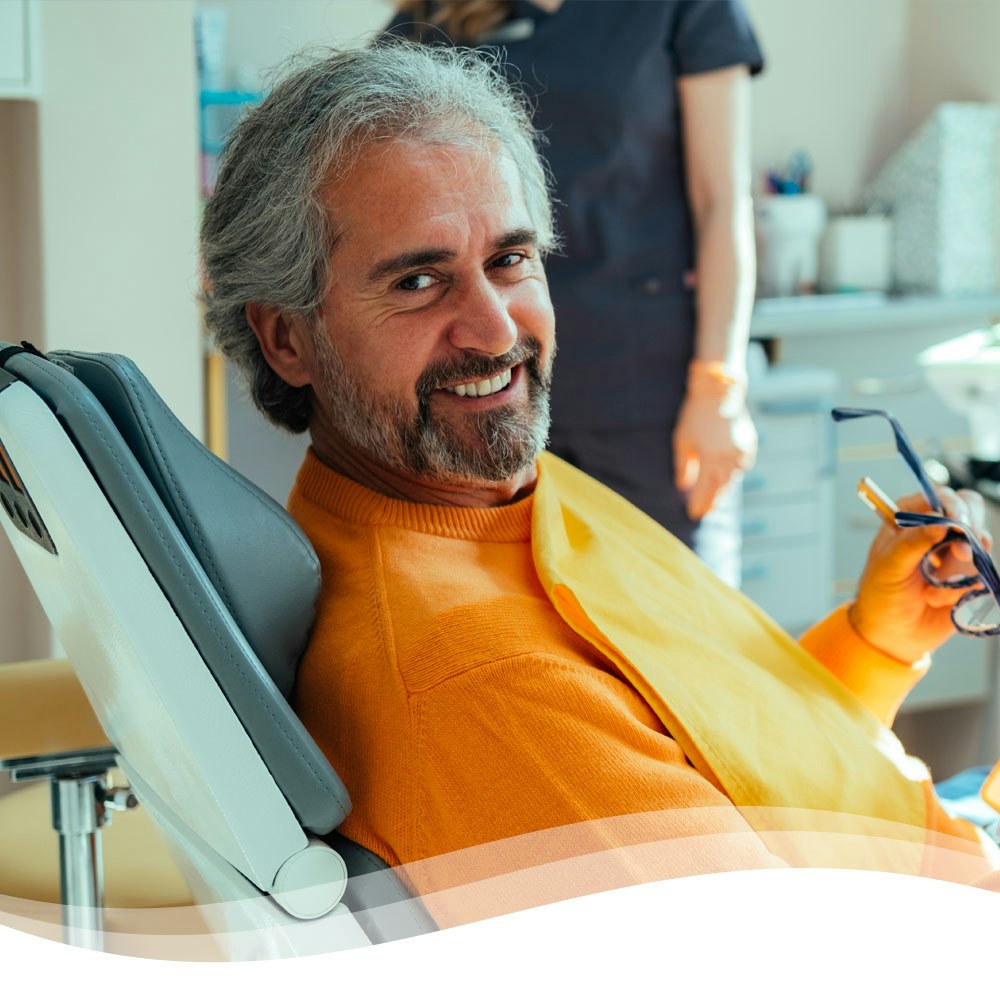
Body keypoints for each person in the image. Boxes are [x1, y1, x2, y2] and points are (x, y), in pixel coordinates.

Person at [200, 42, 998, 926]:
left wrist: (872, 640)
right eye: (419, 282)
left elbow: (721, 764)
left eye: (510, 259)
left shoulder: (503, 497)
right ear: (286, 339)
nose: (496, 329)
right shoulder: (476, 679)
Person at [385, 0, 762, 587]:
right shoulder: (435, 19)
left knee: (683, 628)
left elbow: (722, 204)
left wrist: (720, 385)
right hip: (486, 384)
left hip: (650, 395)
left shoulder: (685, 10)